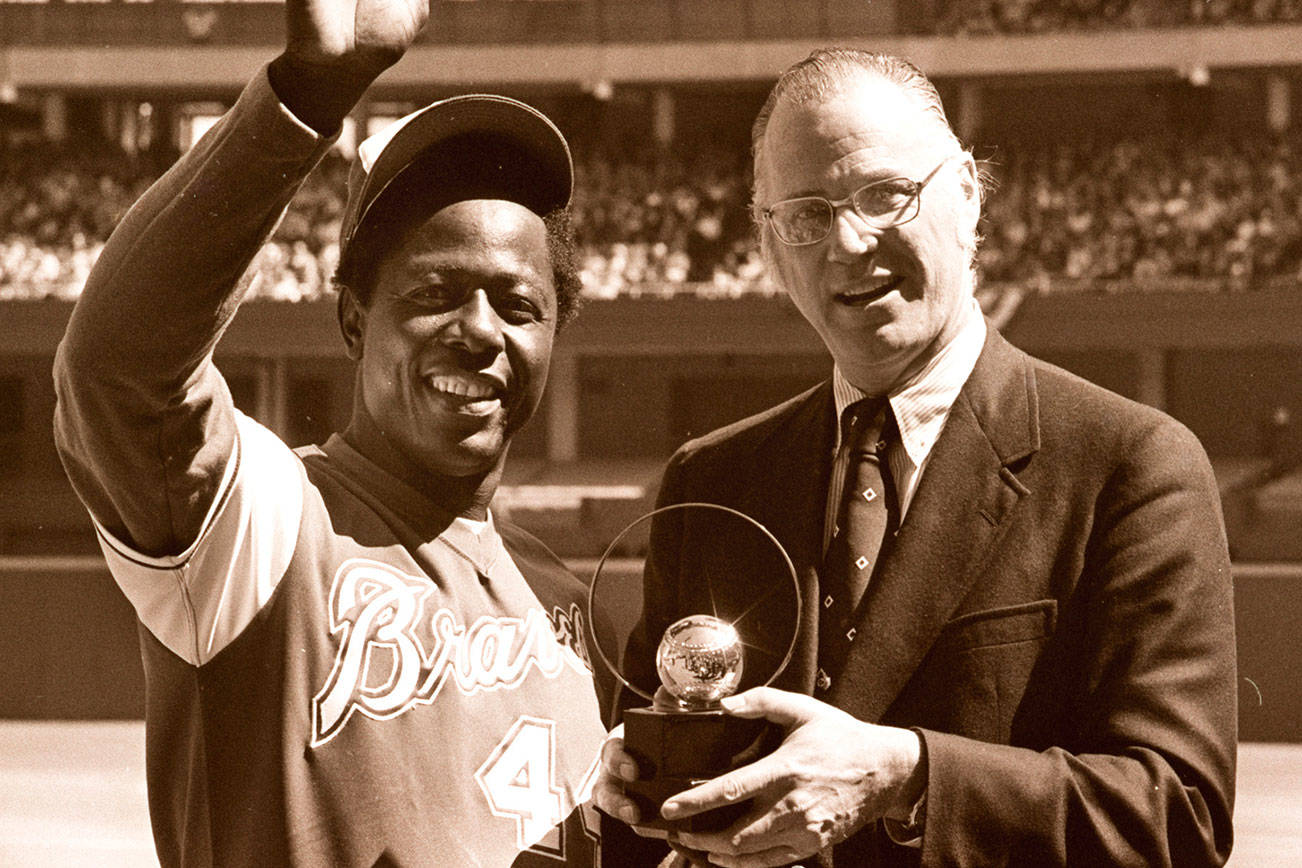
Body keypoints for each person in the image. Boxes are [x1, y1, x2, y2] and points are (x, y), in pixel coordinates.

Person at [593, 48, 1237, 867]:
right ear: (768, 243)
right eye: (807, 215)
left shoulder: (1131, 465)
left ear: (968, 194)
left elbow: (1178, 817)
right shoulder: (710, 480)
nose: (849, 241)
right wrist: (629, 788)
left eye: (885, 195)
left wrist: (907, 775)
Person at [51, 0, 608, 864]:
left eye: (519, 304)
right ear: (354, 323)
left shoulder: (560, 599)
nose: (480, 329)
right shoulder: (267, 525)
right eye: (432, 294)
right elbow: (116, 369)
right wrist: (306, 97)